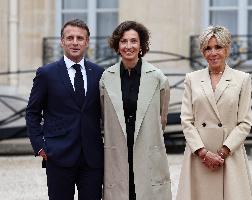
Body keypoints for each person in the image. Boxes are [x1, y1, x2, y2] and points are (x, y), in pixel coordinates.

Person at [25, 19, 104, 200]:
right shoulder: (46, 73)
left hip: (92, 158)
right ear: (62, 41)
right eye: (70, 38)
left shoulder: (99, 73)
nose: (74, 42)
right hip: (58, 155)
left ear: (87, 42)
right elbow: (32, 112)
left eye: (79, 38)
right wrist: (39, 146)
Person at [176, 25, 252, 200]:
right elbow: (187, 120)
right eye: (207, 48)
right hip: (199, 156)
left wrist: (222, 152)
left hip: (229, 155)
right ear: (202, 53)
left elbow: (244, 122)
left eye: (218, 47)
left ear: (227, 49)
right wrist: (203, 153)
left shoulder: (242, 79)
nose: (213, 53)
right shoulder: (192, 79)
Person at [100, 21, 172, 200]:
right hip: (117, 149)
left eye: (133, 41)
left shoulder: (157, 77)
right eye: (123, 41)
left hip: (147, 149)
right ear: (117, 45)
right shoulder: (106, 78)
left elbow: (162, 119)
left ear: (141, 45)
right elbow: (104, 116)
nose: (128, 46)